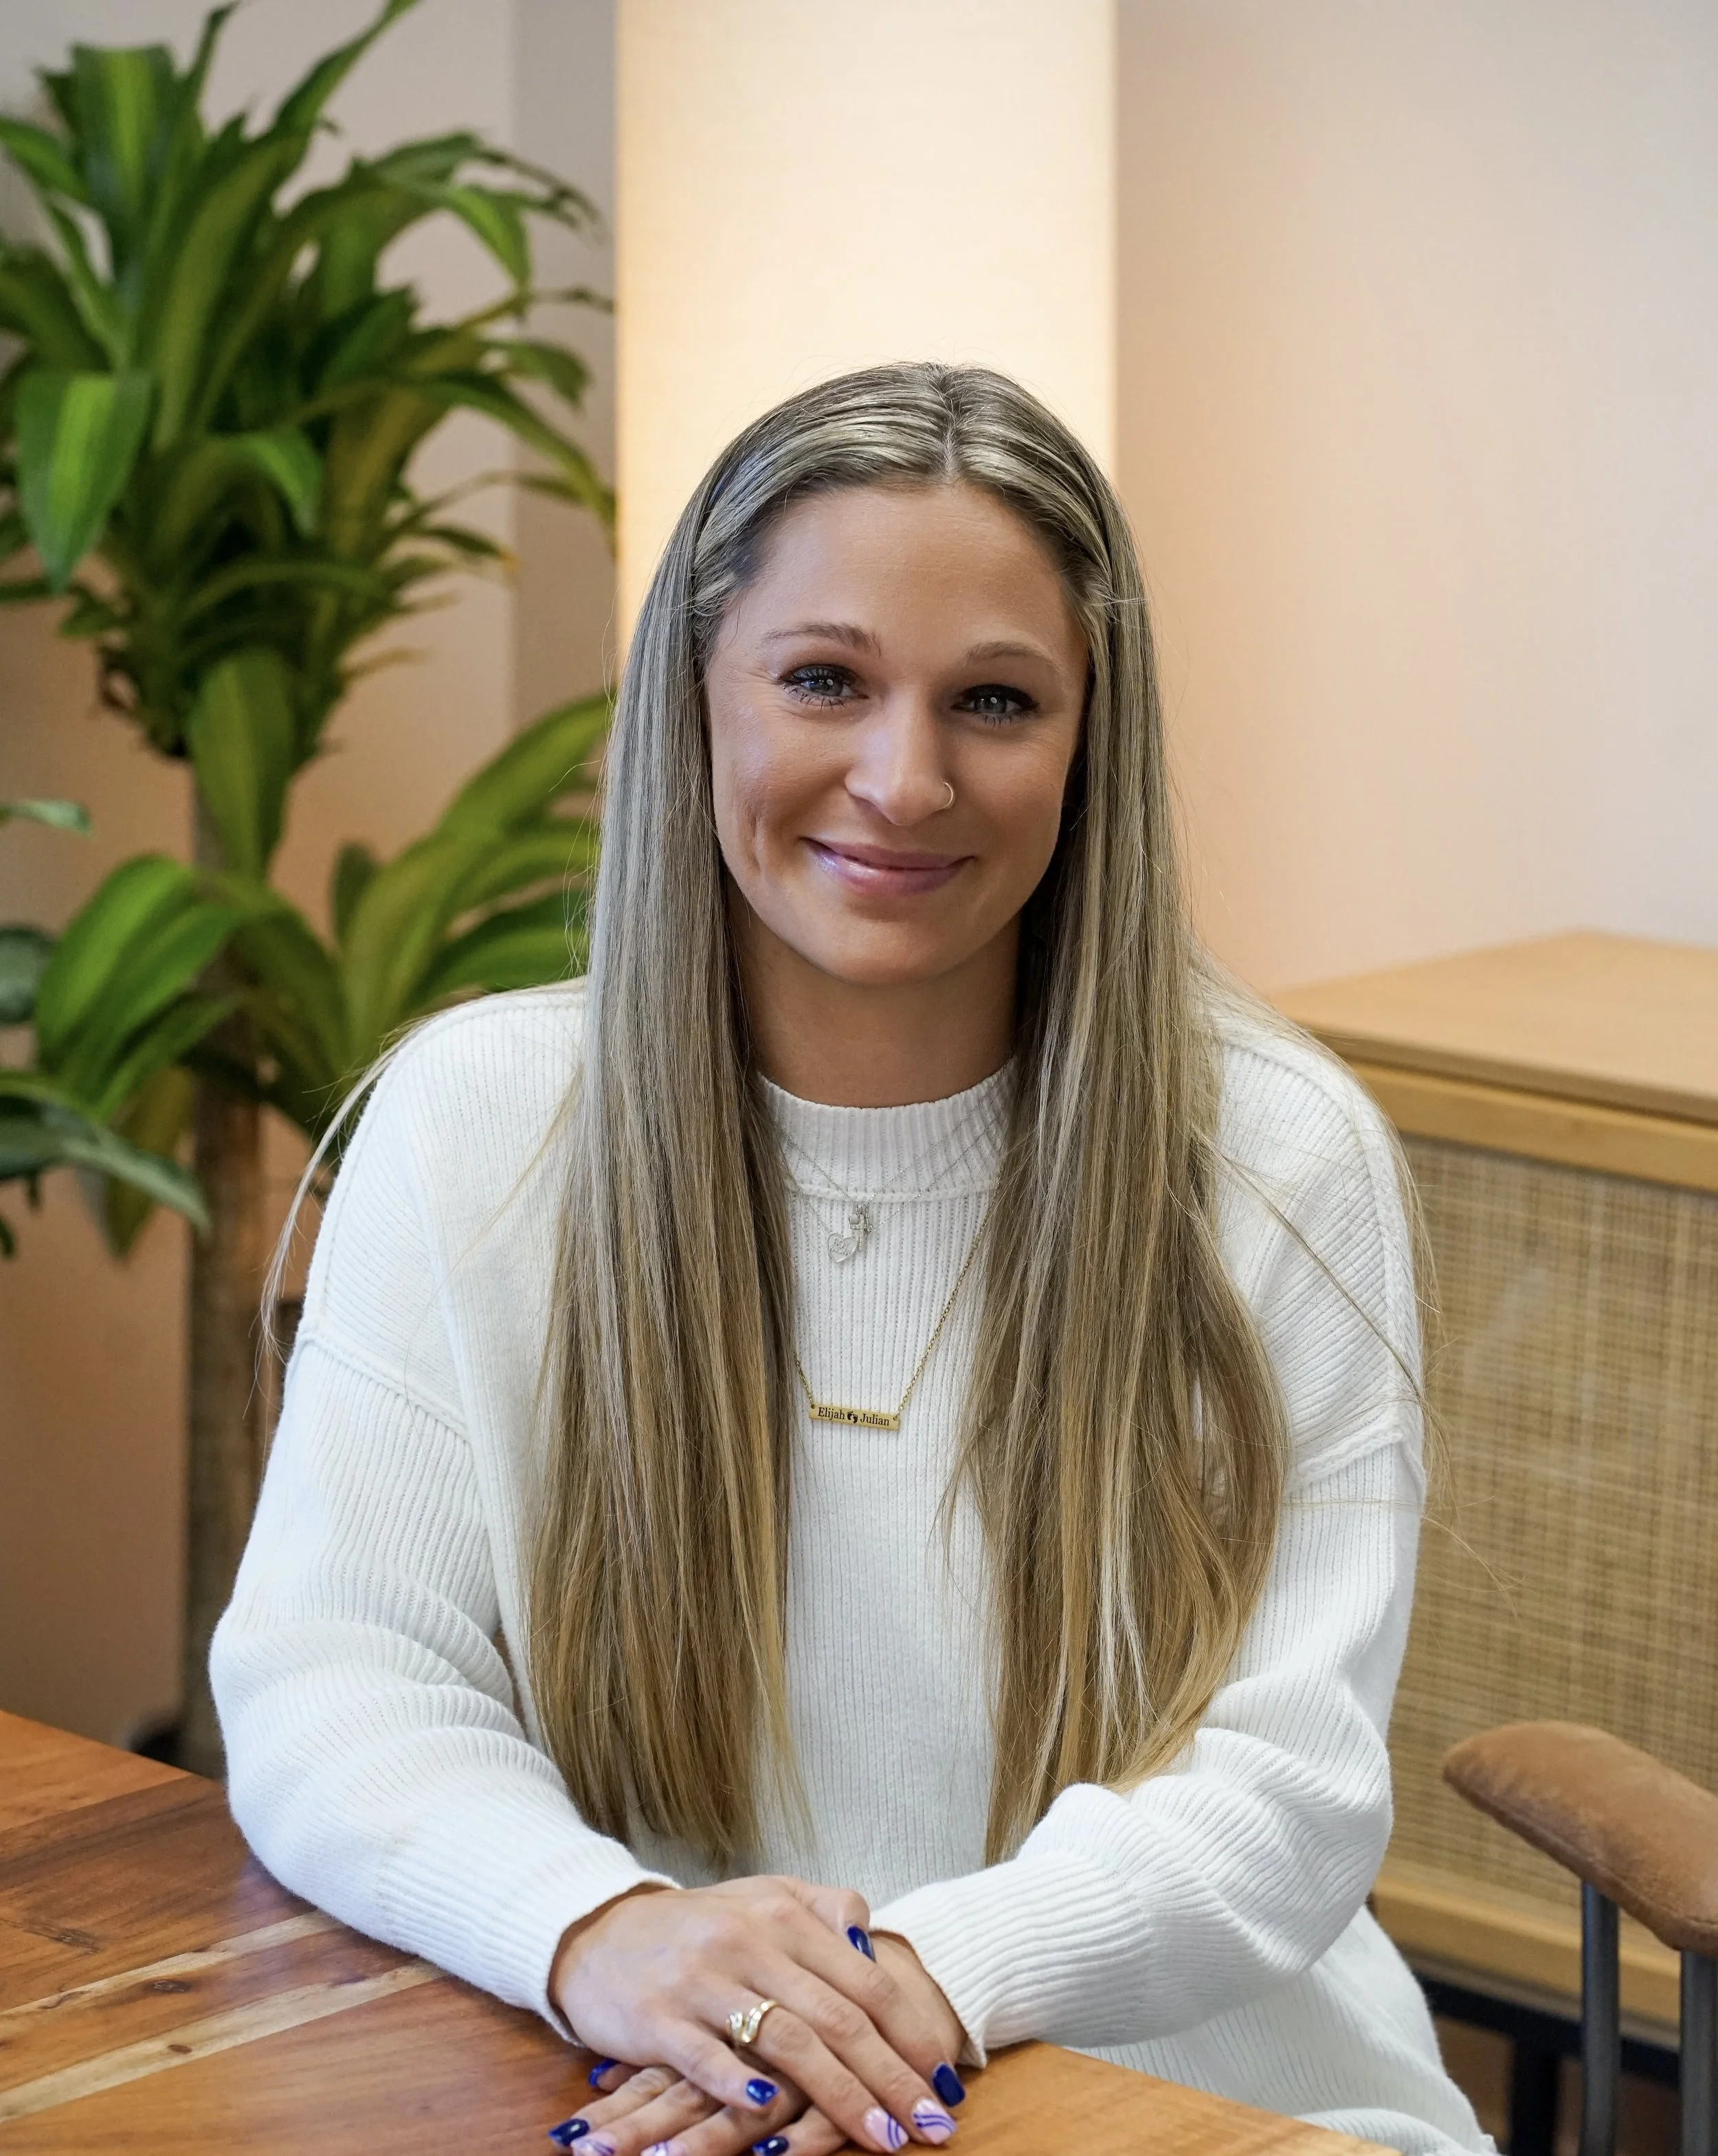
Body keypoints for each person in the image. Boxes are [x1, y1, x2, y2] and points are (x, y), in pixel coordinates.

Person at [212, 362, 1489, 2156]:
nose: (903, 778)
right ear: (695, 703)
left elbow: (1280, 1790)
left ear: (1088, 745)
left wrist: (916, 1980)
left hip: (1202, 2092)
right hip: (651, 2077)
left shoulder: (1277, 1160)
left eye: (993, 700)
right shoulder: (478, 1122)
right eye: (823, 679)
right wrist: (603, 1933)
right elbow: (338, 1687)